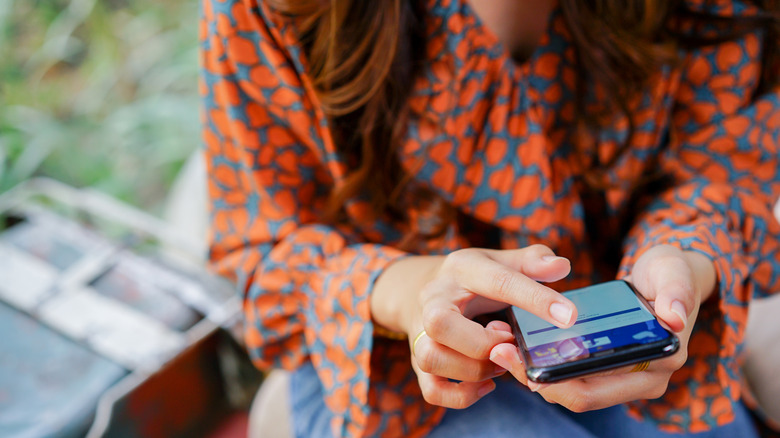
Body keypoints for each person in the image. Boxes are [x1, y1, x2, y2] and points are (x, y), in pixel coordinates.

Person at [200, 0, 780, 436]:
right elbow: (263, 256)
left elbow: (724, 169)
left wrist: (683, 258)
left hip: (618, 322)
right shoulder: (265, 11)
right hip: (385, 366)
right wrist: (413, 293)